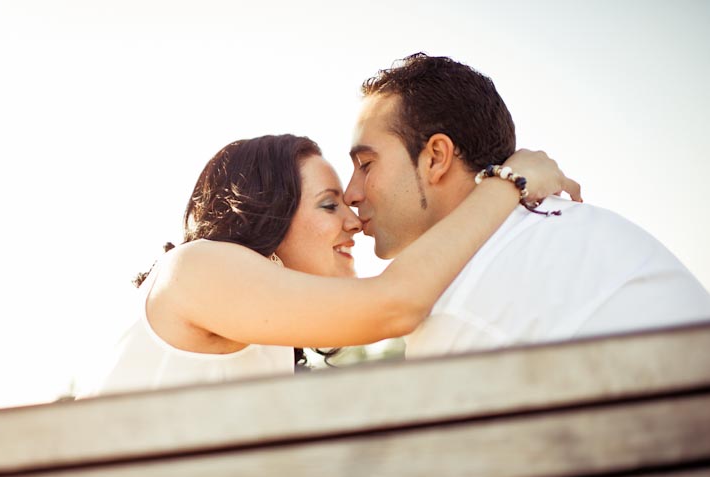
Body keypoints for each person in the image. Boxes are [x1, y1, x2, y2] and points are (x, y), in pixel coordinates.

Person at [96, 134, 578, 394]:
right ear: (267, 213)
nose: (354, 221)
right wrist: (507, 181)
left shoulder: (268, 346)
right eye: (329, 205)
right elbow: (395, 305)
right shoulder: (195, 270)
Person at [344, 53, 710, 358]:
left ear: (436, 157)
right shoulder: (561, 230)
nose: (351, 194)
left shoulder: (466, 303)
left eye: (366, 165)